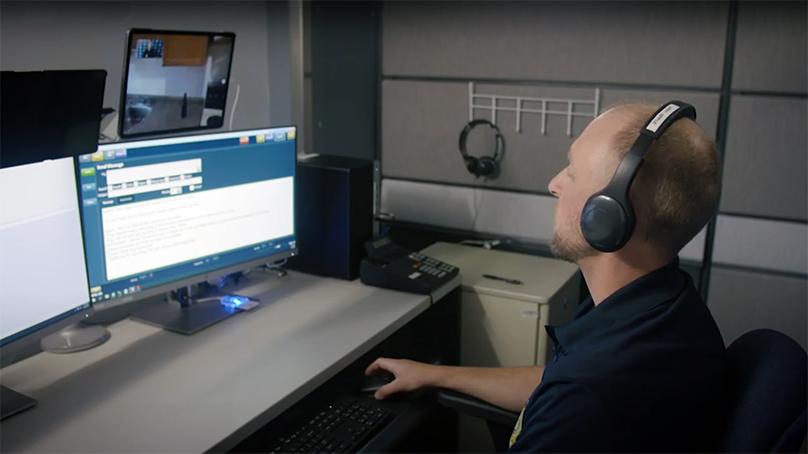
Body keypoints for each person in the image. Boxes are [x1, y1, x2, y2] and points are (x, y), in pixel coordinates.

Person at [365, 102, 727, 452]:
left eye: (571, 171)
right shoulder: (663, 307)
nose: (554, 184)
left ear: (609, 215)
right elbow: (552, 381)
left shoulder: (588, 398)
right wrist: (436, 375)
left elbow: (572, 390)